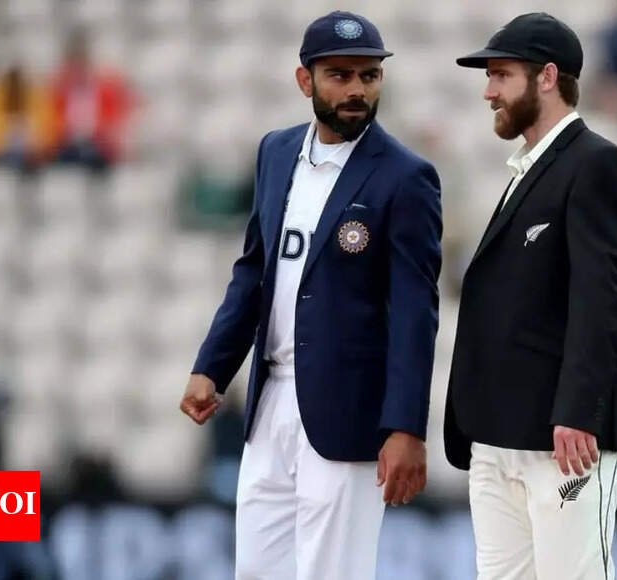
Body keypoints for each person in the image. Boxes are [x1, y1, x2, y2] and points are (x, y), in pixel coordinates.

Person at [179, 11, 442, 579]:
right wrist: (213, 366)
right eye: (340, 75)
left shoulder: (405, 176)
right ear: (306, 80)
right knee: (256, 570)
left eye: (369, 75)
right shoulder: (276, 153)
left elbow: (414, 312)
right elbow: (254, 270)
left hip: (348, 409)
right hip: (270, 400)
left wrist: (405, 425)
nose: (356, 89)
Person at [449, 13, 617, 579]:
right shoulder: (529, 171)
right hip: (499, 435)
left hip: (566, 440)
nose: (489, 92)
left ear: (548, 77)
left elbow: (600, 296)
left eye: (501, 75)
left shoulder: (596, 163)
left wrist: (579, 412)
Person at [48, 29, 134, 171]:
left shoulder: (106, 89)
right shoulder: (58, 91)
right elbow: (52, 124)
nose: (78, 69)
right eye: (74, 64)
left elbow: (114, 122)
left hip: (97, 145)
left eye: (81, 63)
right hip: (67, 146)